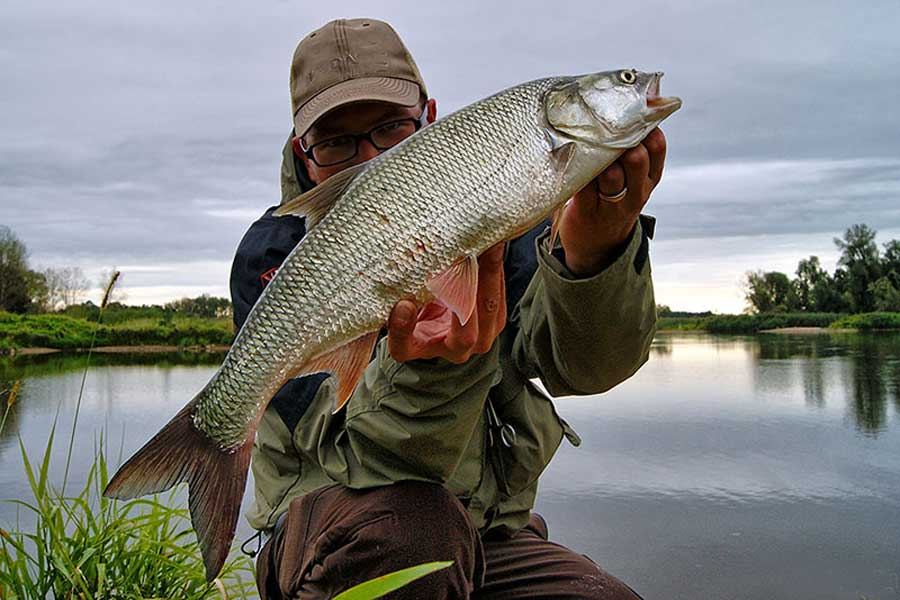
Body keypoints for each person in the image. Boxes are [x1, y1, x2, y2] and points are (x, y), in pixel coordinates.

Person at [230, 17, 664, 600]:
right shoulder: (277, 259)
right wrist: (433, 371)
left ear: (428, 119)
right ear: (302, 155)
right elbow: (350, 465)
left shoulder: (506, 214)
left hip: (483, 532)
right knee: (412, 539)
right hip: (332, 533)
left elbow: (584, 369)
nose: (369, 157)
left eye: (390, 128)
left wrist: (596, 254)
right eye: (336, 142)